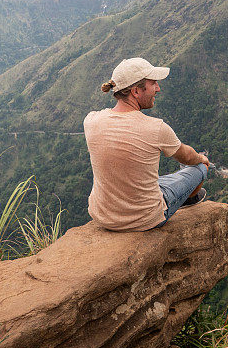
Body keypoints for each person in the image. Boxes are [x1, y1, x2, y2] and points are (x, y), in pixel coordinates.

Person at [84, 57, 209, 231]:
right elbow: (187, 157)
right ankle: (186, 199)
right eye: (153, 84)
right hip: (146, 218)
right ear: (136, 91)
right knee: (200, 167)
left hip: (103, 216)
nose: (158, 89)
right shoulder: (156, 128)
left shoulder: (91, 120)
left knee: (154, 180)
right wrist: (201, 158)